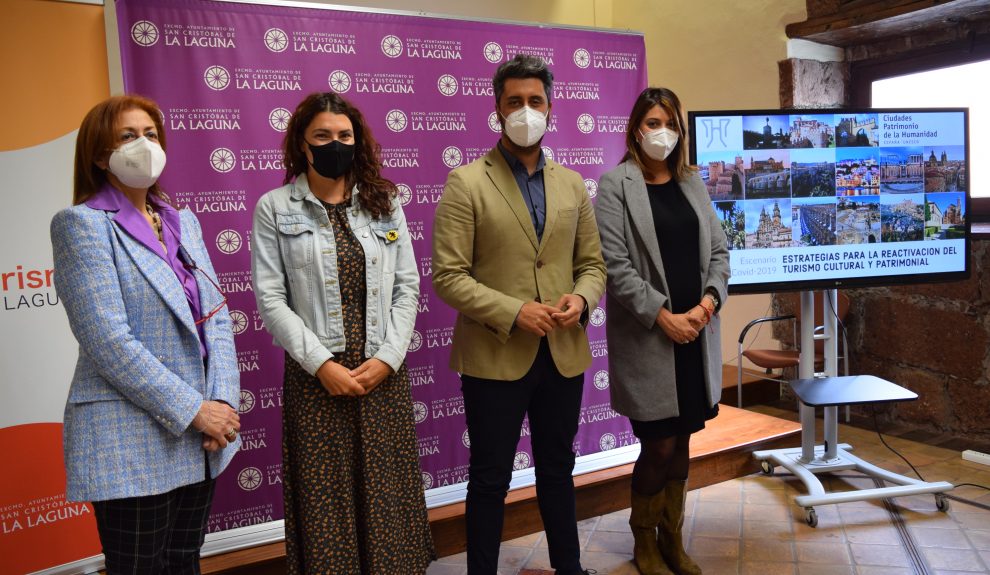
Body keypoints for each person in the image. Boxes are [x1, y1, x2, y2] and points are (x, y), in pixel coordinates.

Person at [51, 95, 241, 574]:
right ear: (99, 155)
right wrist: (195, 410)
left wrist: (221, 404)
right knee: (139, 568)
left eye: (151, 135)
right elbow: (109, 342)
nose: (144, 145)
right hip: (131, 434)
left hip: (202, 433)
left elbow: (216, 318)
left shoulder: (184, 221)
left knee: (183, 562)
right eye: (127, 136)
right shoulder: (83, 225)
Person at [432, 54, 607, 575]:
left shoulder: (573, 184)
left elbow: (592, 265)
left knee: (559, 470)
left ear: (551, 109)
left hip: (562, 353)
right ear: (497, 109)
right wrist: (514, 312)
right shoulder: (466, 182)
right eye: (514, 102)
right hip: (494, 356)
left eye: (535, 101)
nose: (525, 111)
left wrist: (582, 299)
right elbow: (448, 276)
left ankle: (568, 569)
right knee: (490, 479)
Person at [251, 92, 434, 574]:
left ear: (358, 140)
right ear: (302, 143)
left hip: (382, 374)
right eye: (323, 136)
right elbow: (271, 299)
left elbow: (408, 288)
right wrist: (322, 366)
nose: (336, 144)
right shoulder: (274, 207)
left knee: (387, 498)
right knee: (326, 502)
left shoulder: (384, 201)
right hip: (318, 381)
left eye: (344, 136)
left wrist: (389, 358)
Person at [594, 87, 729, 575]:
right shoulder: (615, 184)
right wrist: (664, 317)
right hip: (652, 339)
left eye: (669, 122)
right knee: (660, 444)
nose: (661, 131)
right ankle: (644, 542)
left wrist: (707, 304)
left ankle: (673, 539)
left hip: (696, 334)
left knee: (685, 441)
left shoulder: (693, 181)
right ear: (635, 129)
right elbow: (616, 265)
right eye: (652, 122)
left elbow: (719, 252)